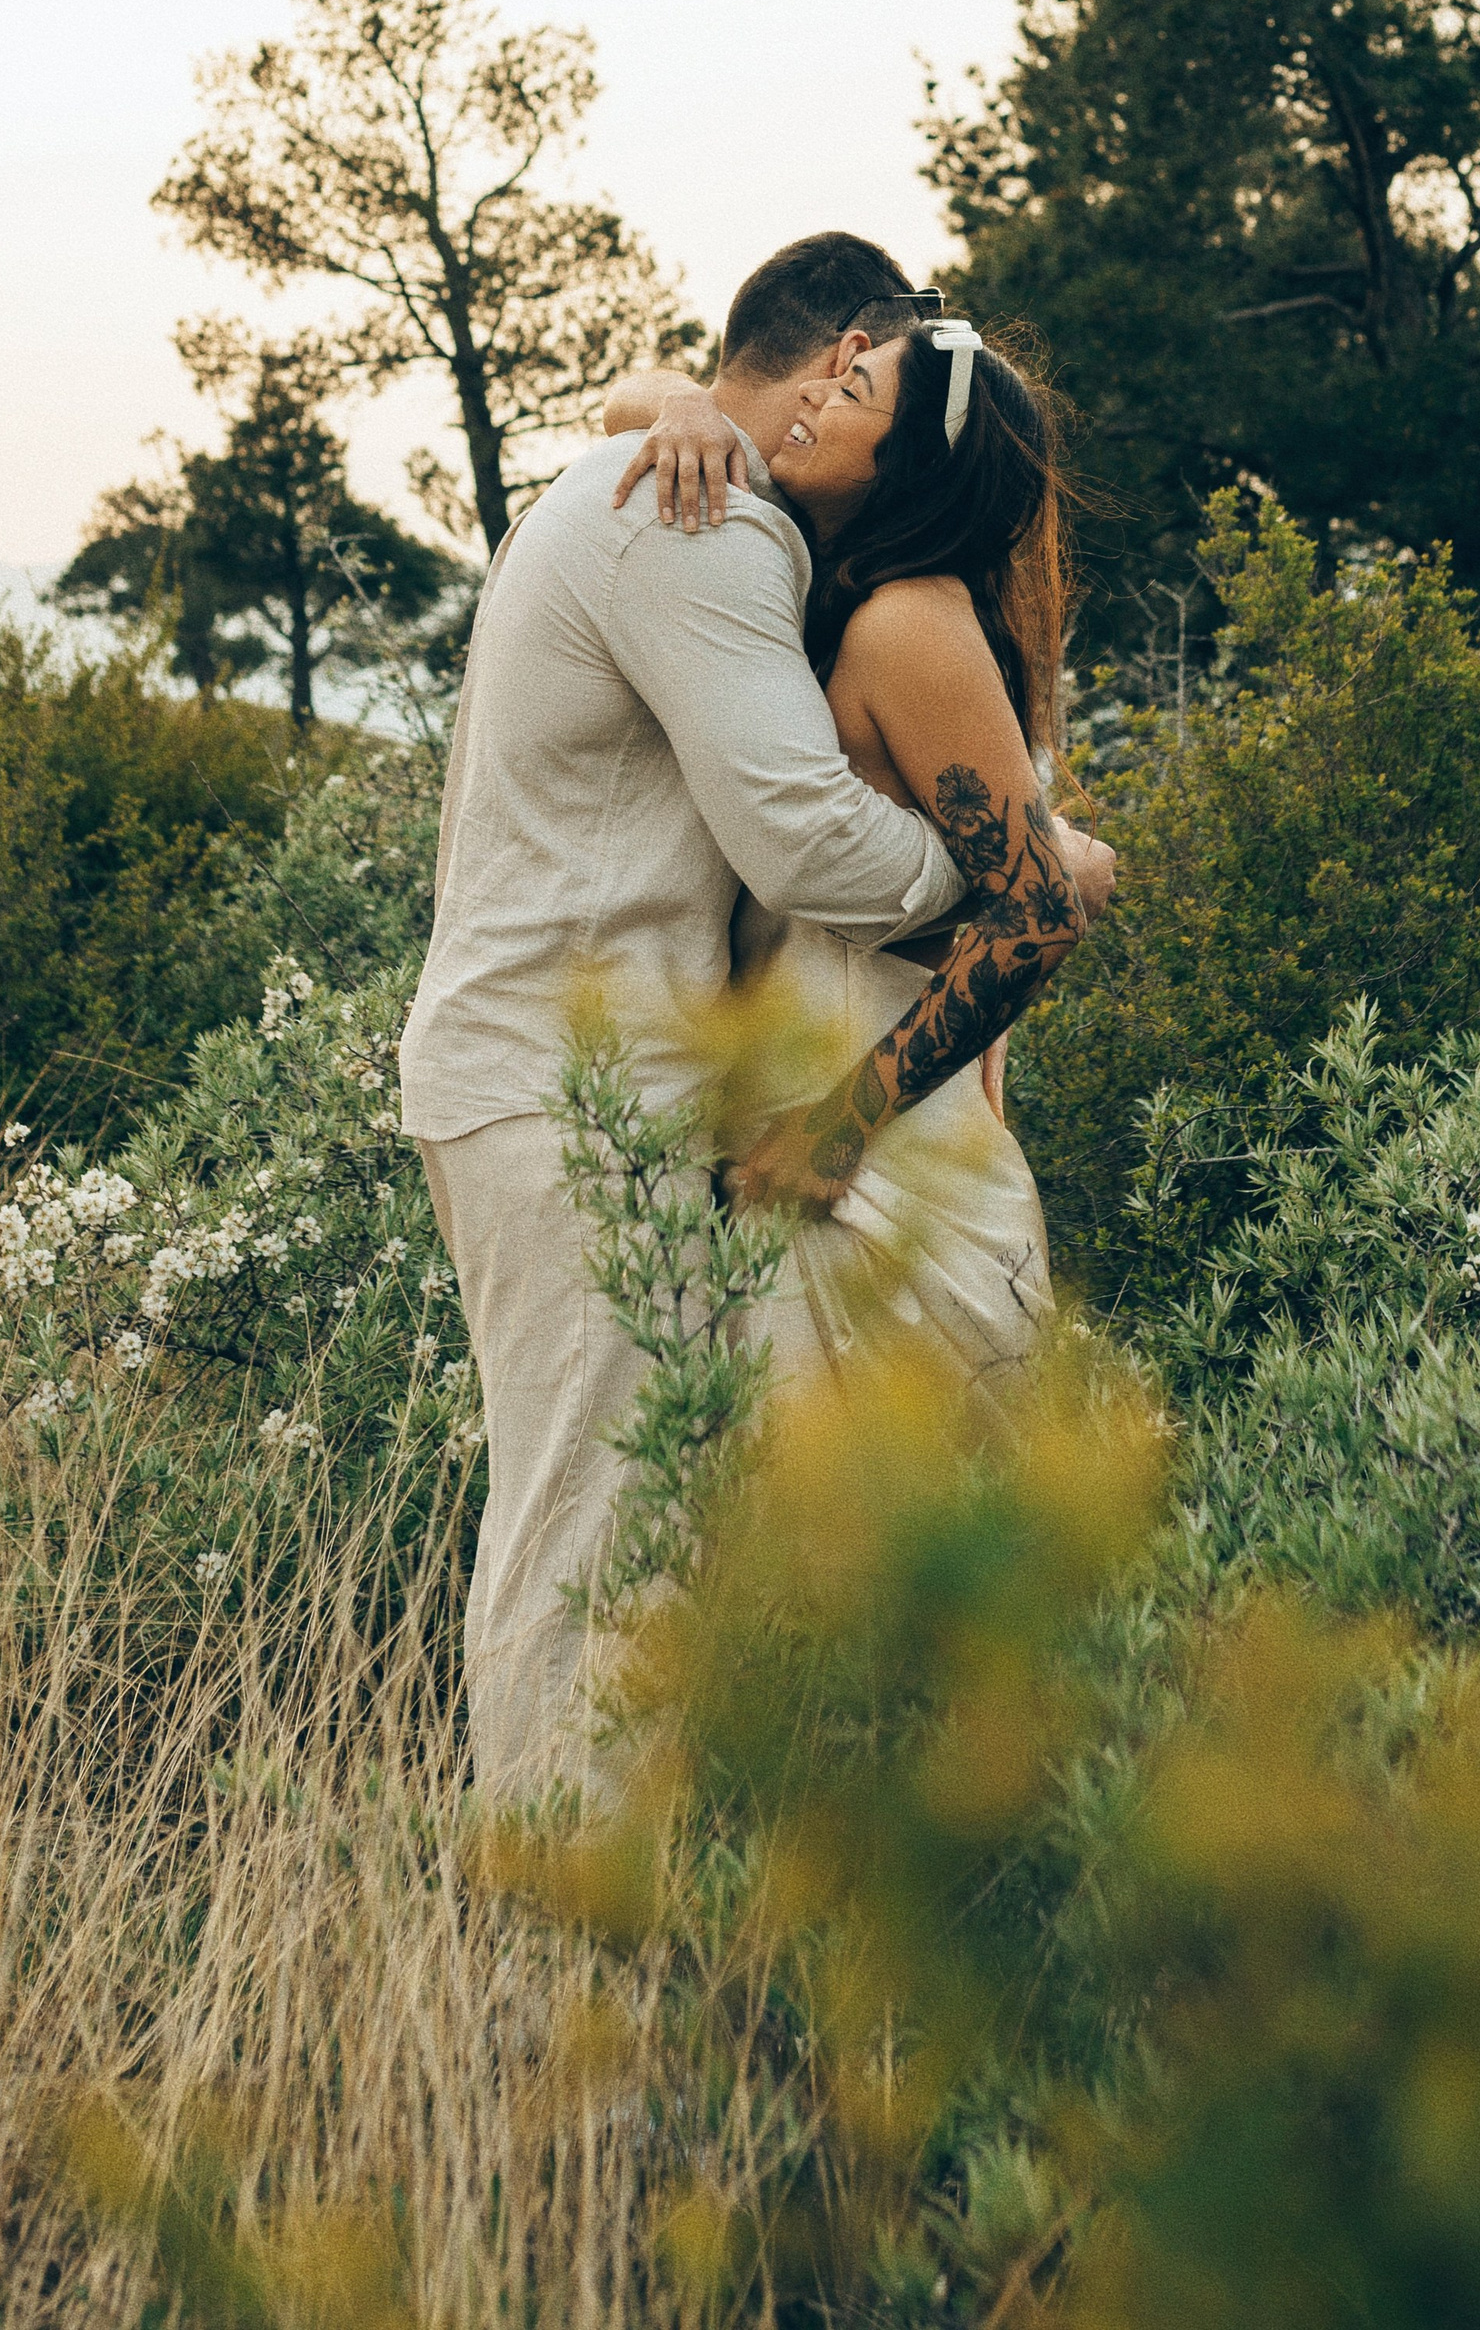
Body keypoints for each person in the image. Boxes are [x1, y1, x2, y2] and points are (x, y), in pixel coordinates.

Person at [400, 233, 1111, 1800]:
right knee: (598, 1524)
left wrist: (1034, 881)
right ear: (826, 354)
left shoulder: (747, 531)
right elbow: (805, 853)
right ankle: (547, 1913)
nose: (840, 398)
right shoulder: (701, 510)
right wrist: (1036, 873)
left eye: (876, 389)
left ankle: (710, 1899)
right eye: (845, 373)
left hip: (685, 1109)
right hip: (586, 1092)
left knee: (686, 1531)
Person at [607, 315, 1093, 1397]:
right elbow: (622, 404)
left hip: (884, 1167)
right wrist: (684, 404)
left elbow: (1042, 910)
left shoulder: (909, 622)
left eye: (854, 391)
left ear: (908, 463)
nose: (816, 396)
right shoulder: (836, 582)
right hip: (805, 1139)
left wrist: (840, 1125)